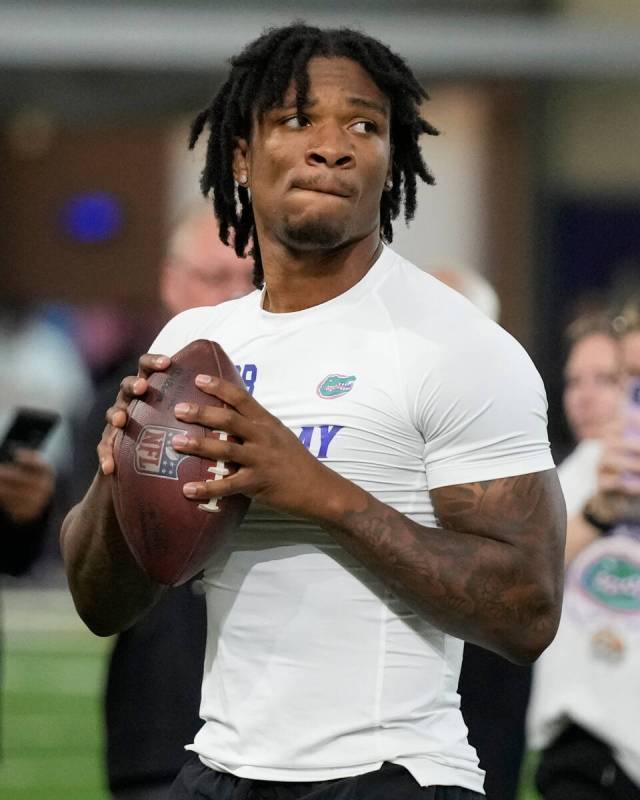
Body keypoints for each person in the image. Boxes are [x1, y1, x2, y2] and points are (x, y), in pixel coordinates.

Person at [61, 24, 566, 800]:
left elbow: (527, 612)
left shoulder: (458, 345)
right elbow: (102, 604)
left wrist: (319, 492)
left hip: (392, 774)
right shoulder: (196, 344)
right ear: (240, 154)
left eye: (364, 125)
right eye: (297, 120)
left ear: (389, 159)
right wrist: (118, 481)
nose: (332, 145)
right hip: (217, 768)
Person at [72, 203, 253, 800]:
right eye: (214, 276)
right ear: (171, 280)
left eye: (246, 278)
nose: (232, 294)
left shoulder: (283, 391)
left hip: (272, 724)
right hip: (157, 716)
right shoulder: (122, 401)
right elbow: (84, 569)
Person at [527, 304, 640, 799]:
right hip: (585, 749)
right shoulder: (568, 475)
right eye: (574, 381)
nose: (586, 396)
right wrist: (597, 513)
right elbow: (527, 572)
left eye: (607, 379)